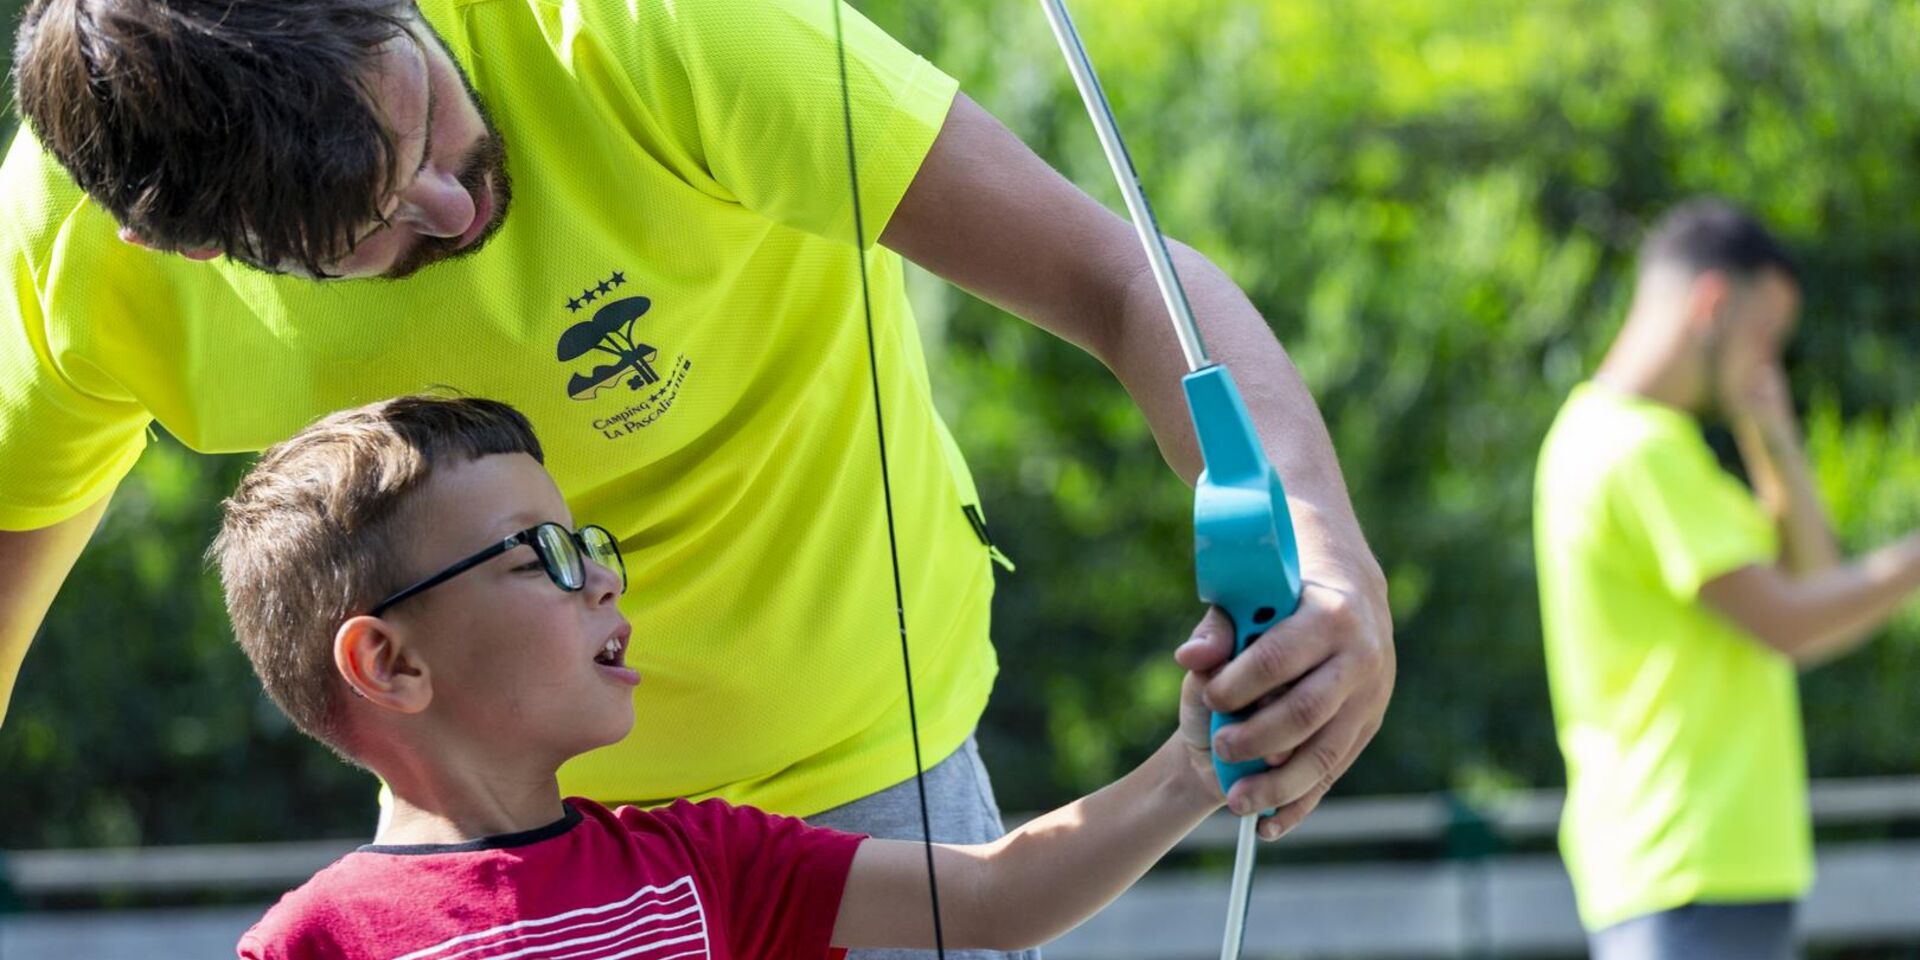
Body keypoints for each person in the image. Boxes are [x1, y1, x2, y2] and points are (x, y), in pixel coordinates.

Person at [0, 4, 1393, 955]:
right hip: (486, 855)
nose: (450, 203)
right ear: (173, 248)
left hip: (857, 778)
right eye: (363, 235)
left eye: (420, 111)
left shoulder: (661, 21)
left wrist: (1321, 555)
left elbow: (1118, 277)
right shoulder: (62, 266)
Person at [213, 394, 1227, 959]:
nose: (603, 576)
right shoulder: (313, 944)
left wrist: (1194, 765)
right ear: (389, 662)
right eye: (543, 556)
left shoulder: (702, 862)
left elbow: (995, 895)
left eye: (589, 543)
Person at [1534, 198, 1920, 960]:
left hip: (1705, 871)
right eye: (1765, 336)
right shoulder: (1635, 452)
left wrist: (1770, 431)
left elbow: (1814, 578)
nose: (1768, 362)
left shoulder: (1652, 449)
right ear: (1711, 303)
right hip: (1686, 866)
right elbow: (1792, 624)